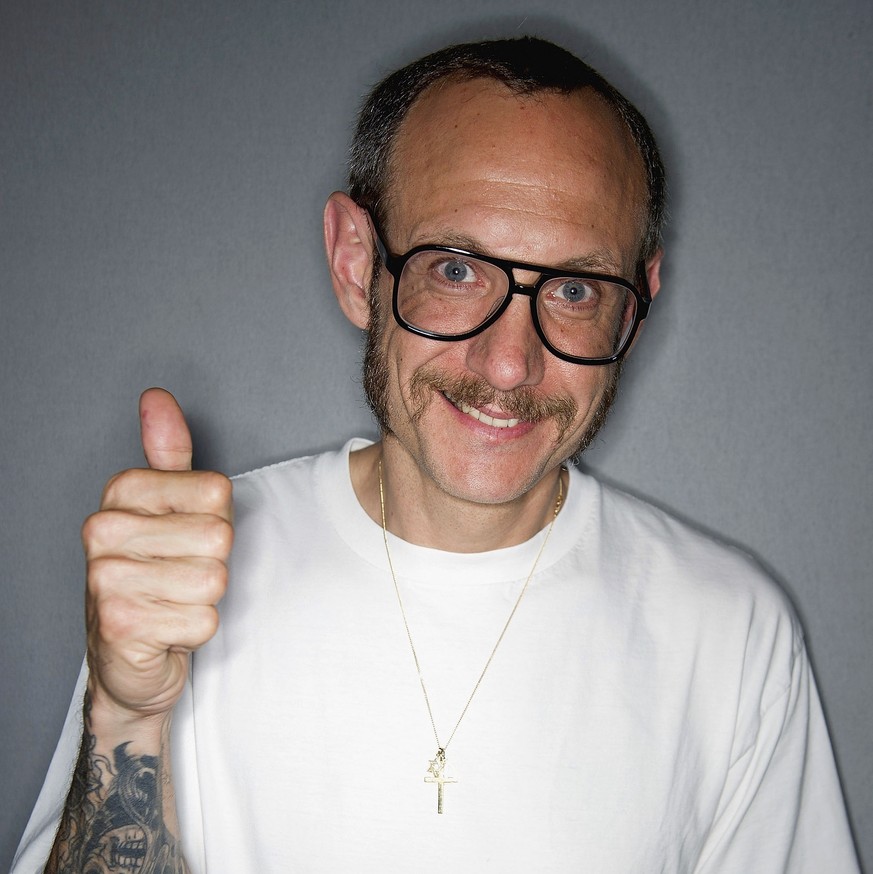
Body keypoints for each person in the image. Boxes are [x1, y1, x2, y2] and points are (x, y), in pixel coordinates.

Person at [13, 36, 859, 873]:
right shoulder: (185, 575)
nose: (507, 364)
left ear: (633, 309)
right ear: (356, 264)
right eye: (455, 270)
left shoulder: (731, 632)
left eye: (573, 290)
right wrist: (126, 718)